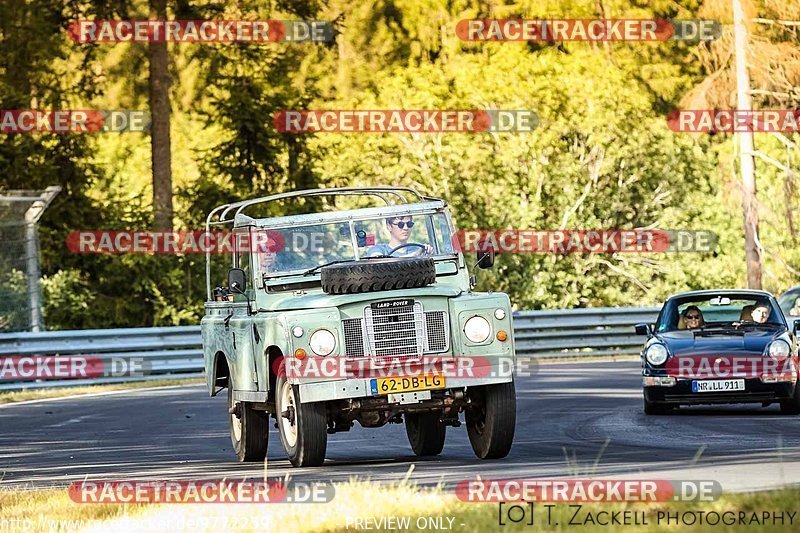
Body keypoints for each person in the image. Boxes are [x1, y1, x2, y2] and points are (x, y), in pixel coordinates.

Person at [366, 216, 432, 257]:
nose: (406, 228)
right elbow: (379, 262)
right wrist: (415, 256)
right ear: (389, 226)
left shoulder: (418, 248)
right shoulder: (378, 249)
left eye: (409, 224)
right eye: (400, 224)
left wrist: (429, 253)